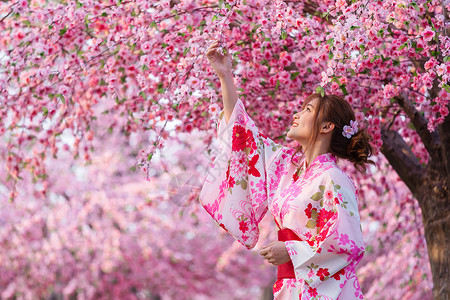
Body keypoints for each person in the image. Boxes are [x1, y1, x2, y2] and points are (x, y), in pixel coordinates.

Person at [199, 40, 374, 300]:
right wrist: (225, 76)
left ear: (327, 127)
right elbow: (245, 137)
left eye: (307, 110)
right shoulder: (288, 167)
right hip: (291, 287)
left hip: (325, 291)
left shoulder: (334, 178)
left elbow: (347, 244)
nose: (296, 114)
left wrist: (292, 251)